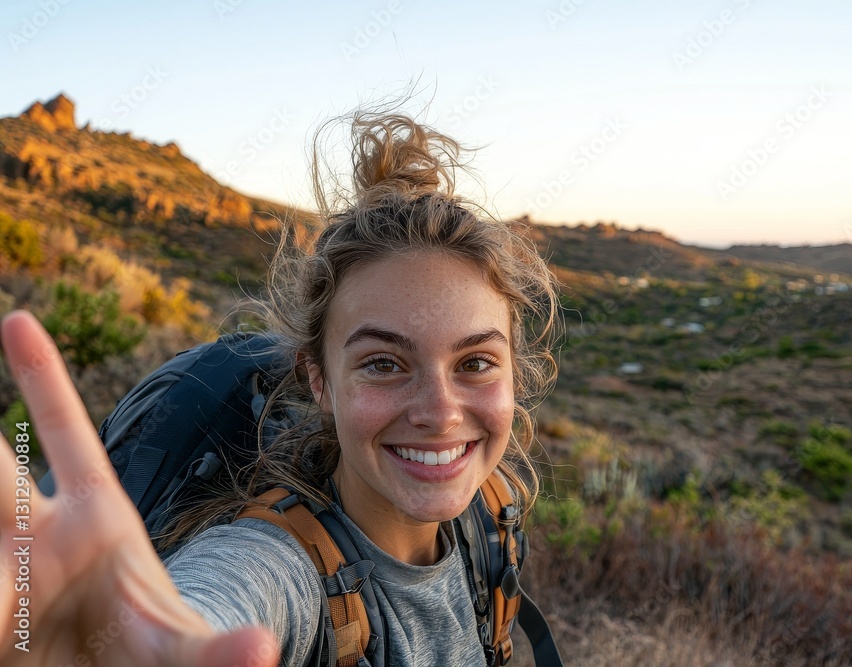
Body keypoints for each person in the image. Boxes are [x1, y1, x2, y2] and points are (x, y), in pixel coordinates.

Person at [0, 111, 561, 666]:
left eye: (477, 362)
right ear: (319, 380)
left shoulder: (489, 510)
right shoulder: (274, 566)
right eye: (385, 364)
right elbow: (216, 603)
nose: (440, 413)